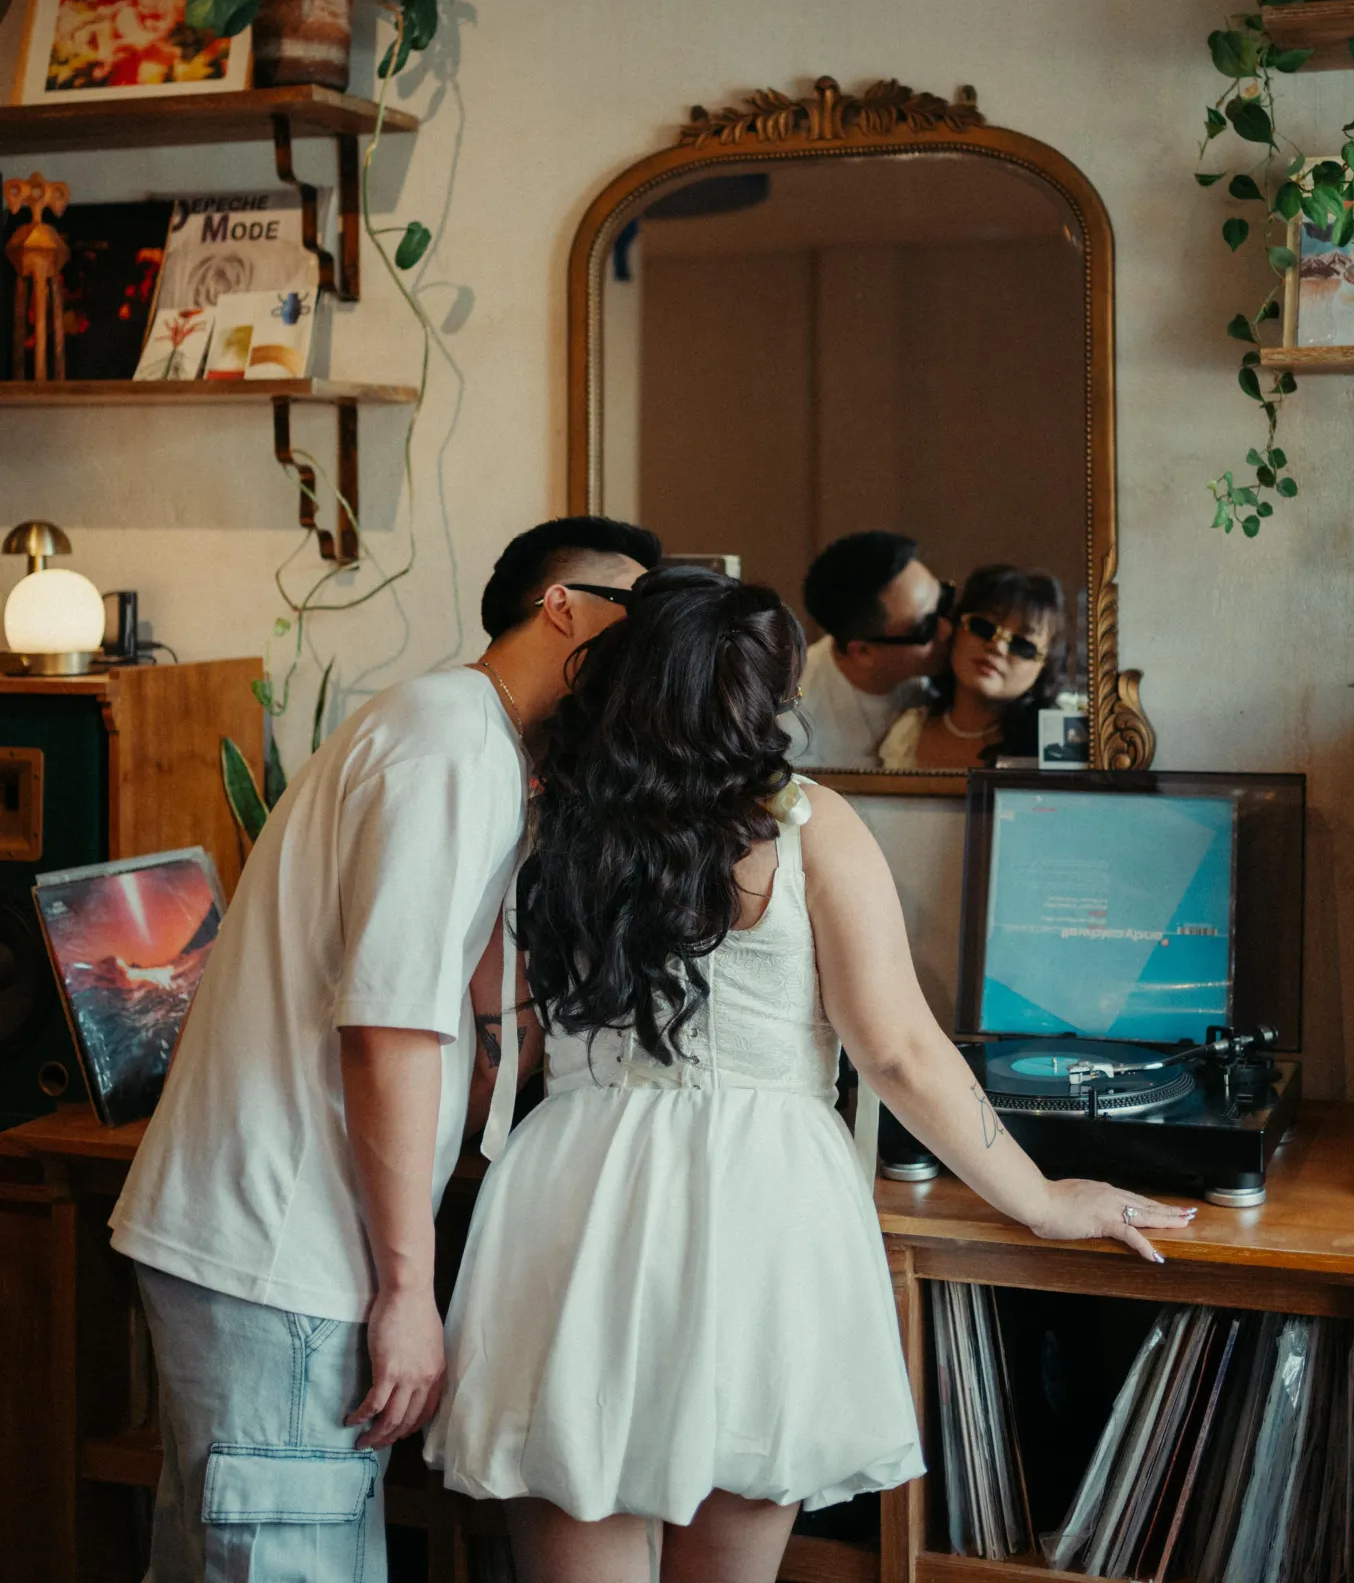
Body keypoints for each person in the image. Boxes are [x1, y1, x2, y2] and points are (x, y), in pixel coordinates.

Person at [426, 566, 1193, 1583]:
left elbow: (493, 1035)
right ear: (763, 697)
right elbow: (898, 1050)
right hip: (760, 1204)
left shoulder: (548, 822)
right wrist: (1042, 1197)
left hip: (574, 1196)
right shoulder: (806, 826)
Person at [109, 513, 660, 1583]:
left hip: (267, 1234)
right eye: (639, 615)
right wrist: (410, 1292)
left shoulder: (471, 741)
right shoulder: (451, 746)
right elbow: (389, 1029)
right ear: (563, 609)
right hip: (283, 1245)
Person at [784, 530, 954, 766]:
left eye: (945, 600)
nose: (947, 630)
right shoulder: (795, 731)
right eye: (926, 628)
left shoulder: (958, 666)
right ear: (863, 652)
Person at [881, 564, 1064, 772]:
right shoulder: (907, 731)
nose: (997, 647)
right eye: (983, 627)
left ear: (1044, 666)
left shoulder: (1053, 751)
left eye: (1022, 644)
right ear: (954, 629)